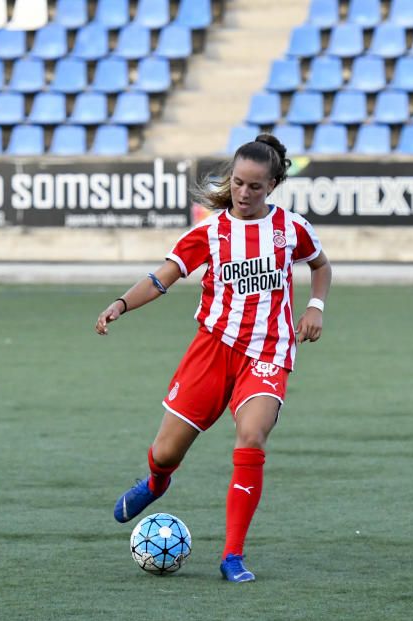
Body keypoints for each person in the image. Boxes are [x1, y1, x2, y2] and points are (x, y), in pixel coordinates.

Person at [95, 134, 332, 583]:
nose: (244, 193)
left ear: (274, 185)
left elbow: (321, 266)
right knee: (166, 451)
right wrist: (121, 304)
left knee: (252, 437)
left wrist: (316, 307)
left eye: (255, 187)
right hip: (213, 349)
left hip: (267, 351)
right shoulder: (209, 232)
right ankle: (156, 483)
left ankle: (233, 556)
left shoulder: (291, 228)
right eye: (238, 183)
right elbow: (163, 277)